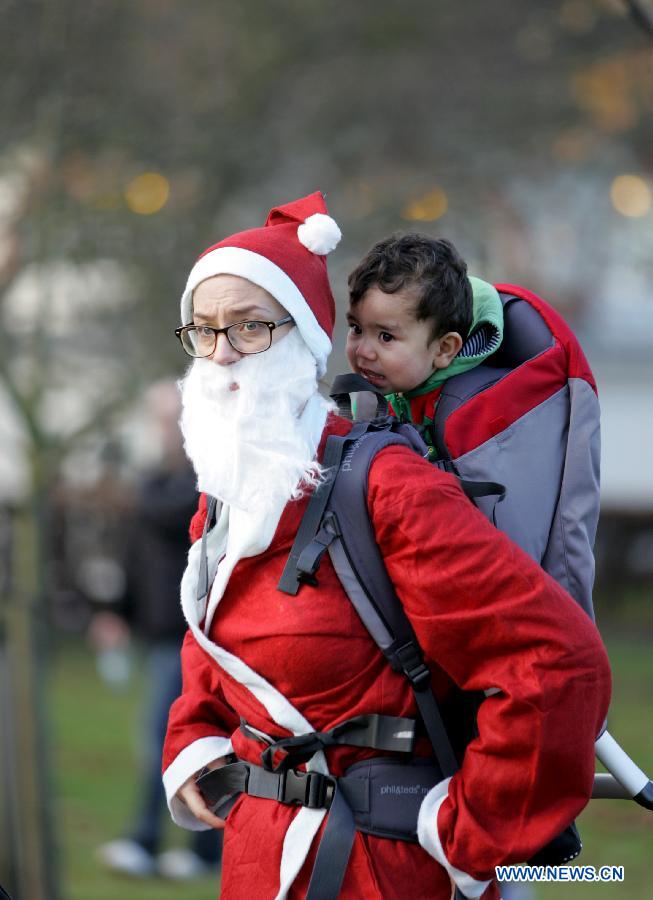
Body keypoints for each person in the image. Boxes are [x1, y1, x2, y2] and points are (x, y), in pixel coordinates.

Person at [162, 191, 611, 900]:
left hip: (379, 869)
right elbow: (211, 632)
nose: (220, 354)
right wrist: (194, 744)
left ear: (303, 336)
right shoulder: (228, 486)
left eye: (249, 327)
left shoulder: (388, 485)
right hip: (255, 856)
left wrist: (469, 833)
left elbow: (555, 663)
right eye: (202, 329)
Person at [96, 381, 222, 880]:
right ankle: (194, 848)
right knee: (169, 735)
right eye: (157, 421)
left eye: (170, 420)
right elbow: (133, 555)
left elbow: (169, 514)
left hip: (190, 632)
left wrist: (139, 493)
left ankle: (163, 843)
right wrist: (116, 611)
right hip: (156, 631)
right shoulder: (155, 481)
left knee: (171, 735)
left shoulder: (202, 477)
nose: (162, 431)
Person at [345, 233, 503, 453]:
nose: (363, 352)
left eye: (386, 337)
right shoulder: (370, 398)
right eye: (357, 329)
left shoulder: (474, 414)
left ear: (444, 349)